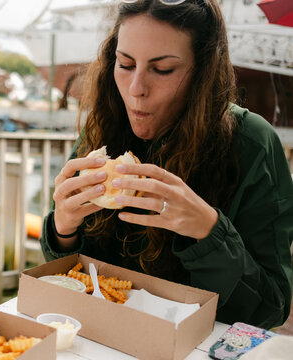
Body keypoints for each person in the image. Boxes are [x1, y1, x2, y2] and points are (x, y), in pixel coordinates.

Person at [40, 0, 293, 329]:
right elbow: (72, 278)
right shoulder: (102, 129)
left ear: (203, 71)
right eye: (126, 64)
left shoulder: (253, 144)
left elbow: (272, 306)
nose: (136, 91)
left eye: (162, 70)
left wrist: (208, 232)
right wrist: (62, 231)